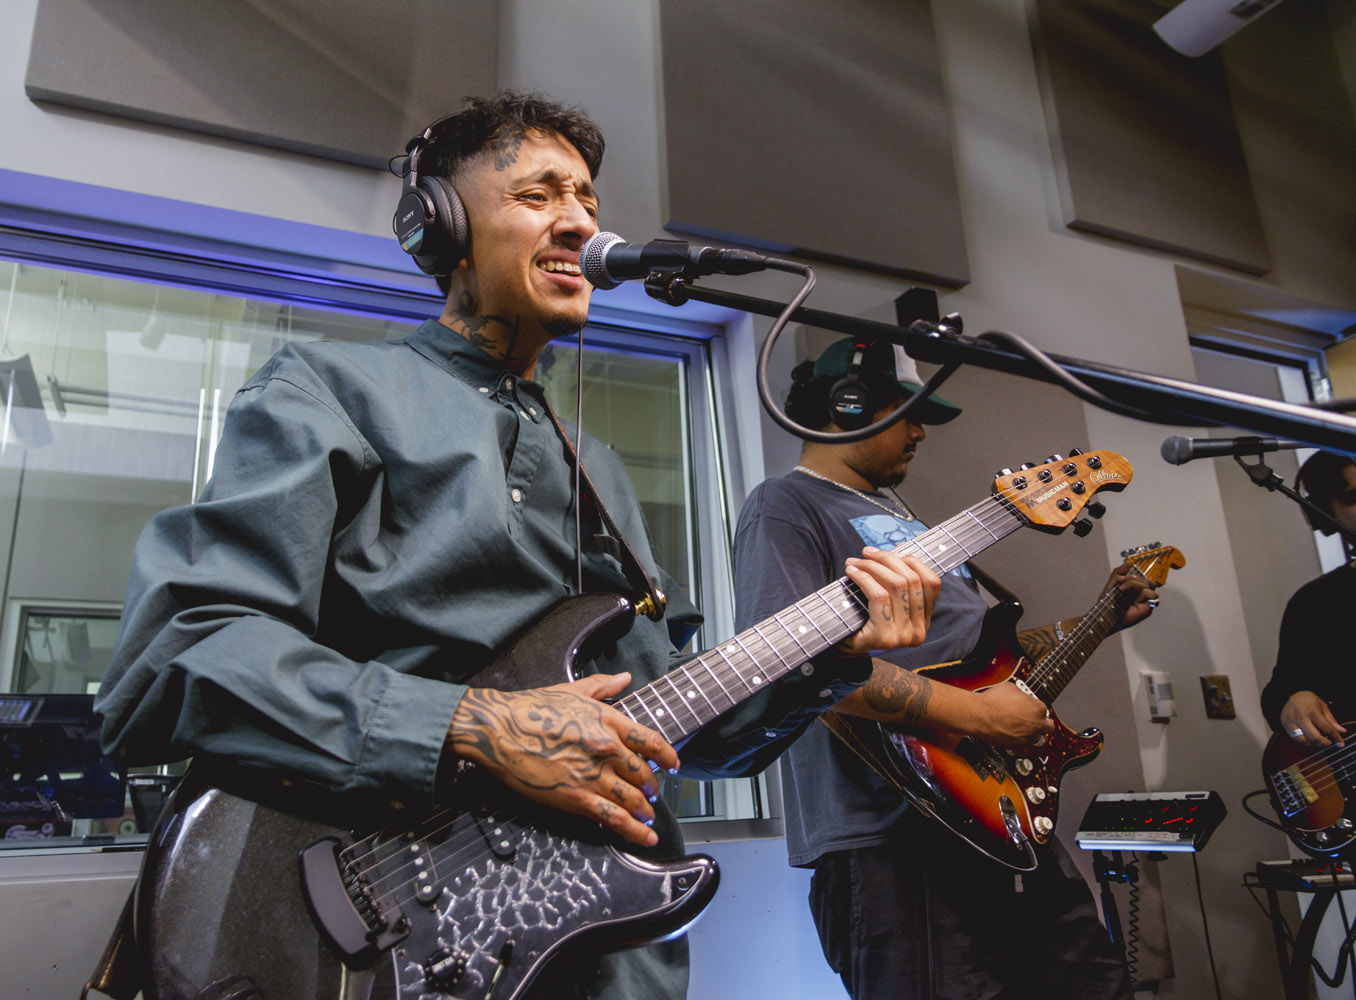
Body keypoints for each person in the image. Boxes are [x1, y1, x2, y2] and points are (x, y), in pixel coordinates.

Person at [94, 92, 938, 1000]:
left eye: (588, 201)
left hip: (601, 959)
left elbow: (678, 727)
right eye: (538, 195)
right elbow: (172, 661)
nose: (579, 221)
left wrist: (832, 657)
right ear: (442, 228)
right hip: (363, 934)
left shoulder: (600, 470)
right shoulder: (331, 392)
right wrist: (478, 726)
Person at [729, 337, 1158, 1000]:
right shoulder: (785, 504)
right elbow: (789, 665)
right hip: (891, 837)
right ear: (849, 405)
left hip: (1008, 817)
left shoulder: (913, 524)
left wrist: (1097, 621)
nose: (921, 432)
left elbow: (978, 662)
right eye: (908, 412)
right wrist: (981, 715)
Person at [1261, 449, 1356, 748]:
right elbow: (1278, 694)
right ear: (1324, 513)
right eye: (1353, 498)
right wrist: (1293, 700)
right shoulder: (1315, 602)